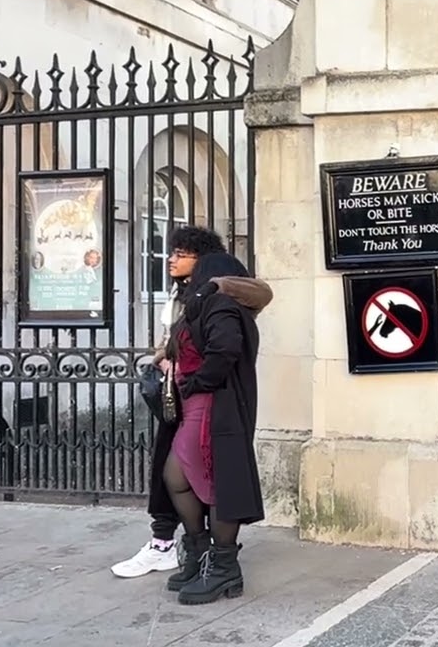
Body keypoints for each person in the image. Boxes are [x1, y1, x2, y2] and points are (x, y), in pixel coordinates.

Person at [149, 241, 272, 605]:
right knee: (178, 476)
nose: (173, 259)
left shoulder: (220, 304)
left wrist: (198, 380)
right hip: (197, 404)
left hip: (210, 406)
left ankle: (223, 567)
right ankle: (202, 552)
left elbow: (225, 348)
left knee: (215, 483)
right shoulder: (201, 305)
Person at [110, 226, 227, 579]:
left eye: (181, 253)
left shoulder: (212, 297)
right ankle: (171, 543)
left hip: (199, 395)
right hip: (175, 392)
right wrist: (161, 357)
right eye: (172, 252)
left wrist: (182, 367)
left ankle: (201, 551)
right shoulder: (179, 295)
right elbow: (172, 339)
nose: (171, 259)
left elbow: (217, 347)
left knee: (191, 471)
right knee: (169, 465)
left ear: (201, 258)